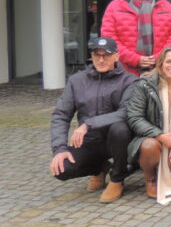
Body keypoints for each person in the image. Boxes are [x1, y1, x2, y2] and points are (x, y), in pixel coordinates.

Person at [50, 37, 138, 203]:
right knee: (61, 170)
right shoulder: (76, 81)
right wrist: (59, 149)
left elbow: (127, 112)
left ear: (117, 57)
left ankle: (117, 179)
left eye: (106, 55)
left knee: (120, 128)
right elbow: (61, 115)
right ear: (92, 56)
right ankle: (100, 168)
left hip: (118, 141)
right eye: (97, 55)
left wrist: (88, 124)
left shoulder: (130, 81)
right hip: (90, 142)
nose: (101, 60)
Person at [126, 45, 171, 204]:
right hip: (150, 138)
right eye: (169, 61)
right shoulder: (145, 85)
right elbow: (134, 117)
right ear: (161, 63)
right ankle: (150, 178)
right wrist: (160, 135)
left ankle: (167, 171)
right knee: (149, 147)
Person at [101, 0, 171, 75]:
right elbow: (109, 38)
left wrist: (160, 57)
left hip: (159, 69)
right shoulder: (115, 6)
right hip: (124, 71)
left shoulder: (166, 7)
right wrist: (135, 59)